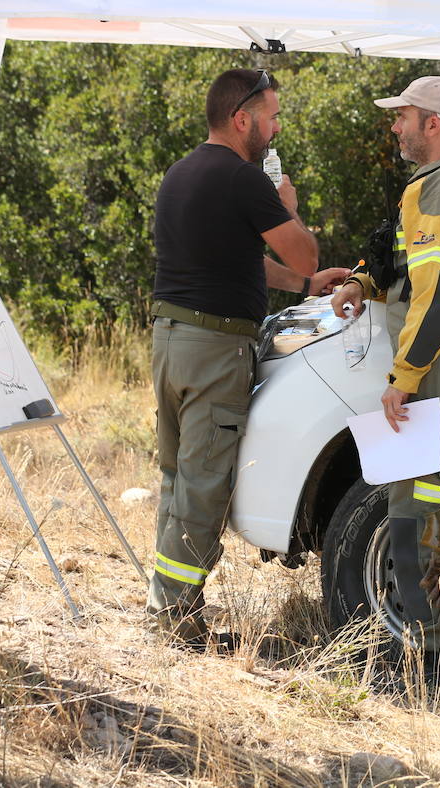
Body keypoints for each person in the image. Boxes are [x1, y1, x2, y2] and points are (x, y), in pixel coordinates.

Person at [149, 68, 349, 646]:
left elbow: (244, 261)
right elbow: (304, 250)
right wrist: (289, 208)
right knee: (205, 485)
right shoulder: (245, 179)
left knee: (178, 478)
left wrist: (303, 286)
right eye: (272, 117)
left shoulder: (181, 173)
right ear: (242, 120)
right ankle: (175, 617)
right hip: (216, 348)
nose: (276, 127)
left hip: (170, 341)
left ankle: (167, 600)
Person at [332, 75, 440, 654]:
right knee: (418, 502)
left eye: (402, 116)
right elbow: (416, 273)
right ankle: (430, 643)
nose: (395, 127)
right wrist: (364, 282)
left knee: (437, 506)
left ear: (432, 123)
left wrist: (405, 377)